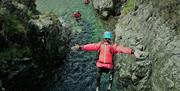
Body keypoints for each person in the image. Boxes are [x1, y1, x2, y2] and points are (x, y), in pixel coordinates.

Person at [71, 31, 143, 91]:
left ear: (104, 38)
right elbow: (122, 49)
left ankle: (97, 87)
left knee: (98, 74)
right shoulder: (113, 47)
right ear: (110, 39)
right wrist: (133, 52)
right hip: (109, 67)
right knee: (112, 71)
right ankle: (109, 86)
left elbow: (90, 46)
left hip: (100, 66)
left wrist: (80, 47)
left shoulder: (99, 45)